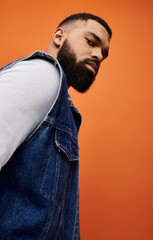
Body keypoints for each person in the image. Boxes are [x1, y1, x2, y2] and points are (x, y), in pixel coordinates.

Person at [0, 13, 112, 239]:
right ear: (59, 37)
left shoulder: (59, 100)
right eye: (91, 42)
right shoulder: (41, 75)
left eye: (104, 54)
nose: (98, 55)